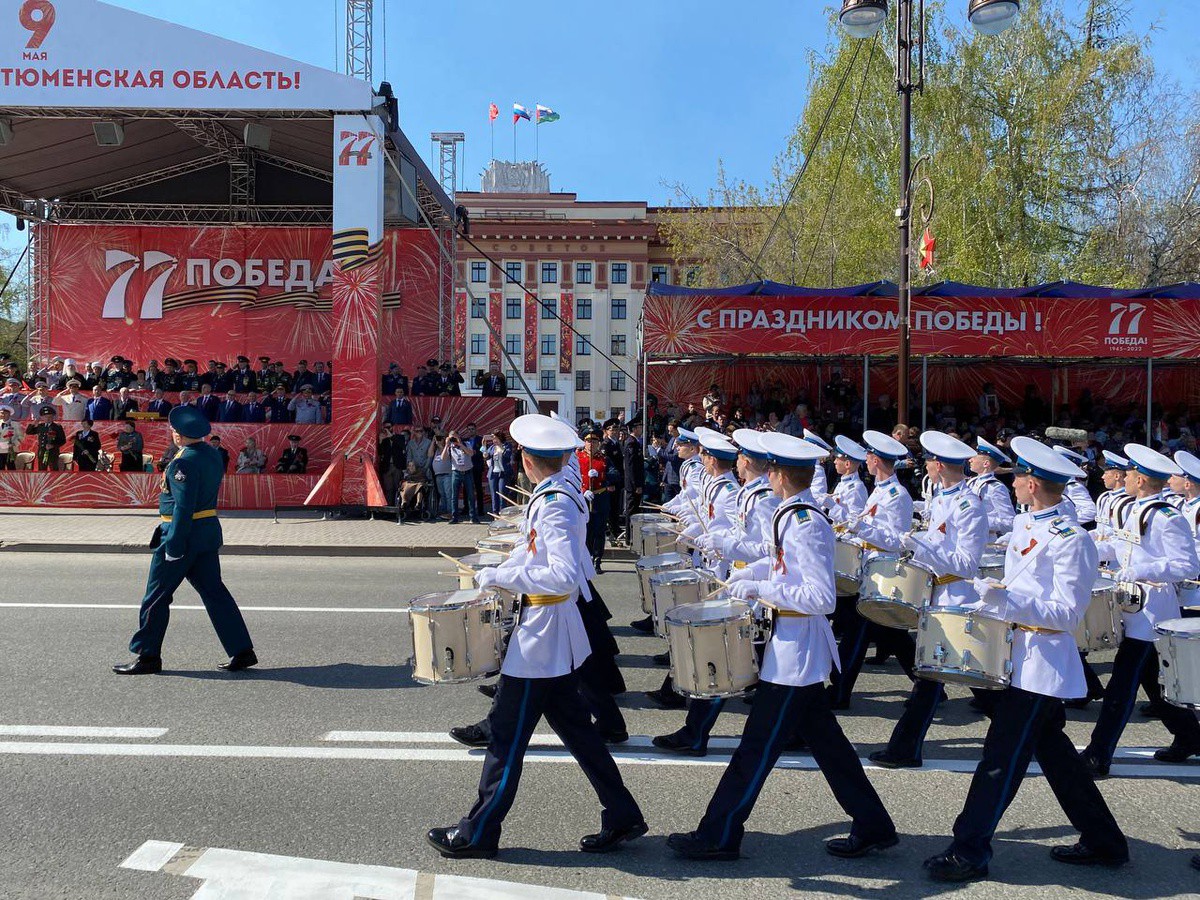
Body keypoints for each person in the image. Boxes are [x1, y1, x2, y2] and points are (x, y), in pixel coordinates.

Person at [668, 430, 897, 861]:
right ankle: (874, 824)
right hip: (791, 646)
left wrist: (762, 589)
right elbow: (779, 562)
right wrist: (749, 571)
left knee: (756, 746)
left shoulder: (805, 520)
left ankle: (718, 833)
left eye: (770, 467)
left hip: (798, 651)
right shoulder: (791, 514)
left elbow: (820, 596)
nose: (766, 473)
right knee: (830, 748)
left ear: (778, 475)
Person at [427, 414, 646, 859]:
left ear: (526, 459)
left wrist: (506, 577)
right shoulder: (554, 493)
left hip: (541, 639)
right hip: (550, 636)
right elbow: (542, 557)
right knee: (581, 736)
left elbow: (562, 574)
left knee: (505, 739)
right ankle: (622, 813)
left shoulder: (556, 502)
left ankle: (478, 831)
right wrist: (506, 569)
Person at [922, 437, 1129, 882]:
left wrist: (1006, 601)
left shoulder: (1071, 538)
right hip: (1020, 654)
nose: (1011, 483)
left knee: (1000, 759)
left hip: (1044, 663)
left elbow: (1068, 613)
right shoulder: (1027, 524)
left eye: (1016, 477)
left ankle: (969, 850)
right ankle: (1104, 840)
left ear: (1031, 484)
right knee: (1055, 756)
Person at [869, 431, 988, 768]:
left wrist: (923, 544)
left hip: (957, 593)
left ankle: (904, 749)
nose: (926, 467)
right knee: (937, 674)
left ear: (937, 465)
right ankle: (906, 749)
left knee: (945, 675)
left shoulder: (970, 505)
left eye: (929, 462)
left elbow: (967, 562)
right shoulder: (942, 497)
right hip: (938, 591)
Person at [660, 429, 782, 756]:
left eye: (740, 457)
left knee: (727, 658)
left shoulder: (764, 498)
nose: (737, 462)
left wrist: (725, 544)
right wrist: (718, 543)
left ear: (746, 461)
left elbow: (770, 550)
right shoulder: (748, 492)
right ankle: (788, 730)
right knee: (748, 666)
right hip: (737, 577)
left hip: (752, 588)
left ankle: (696, 733)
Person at [1082, 443, 1200, 774]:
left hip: (1153, 611)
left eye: (1131, 474)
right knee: (1152, 678)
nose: (1125, 478)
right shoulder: (1134, 509)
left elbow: (1187, 565)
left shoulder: (1166, 517)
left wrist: (1144, 571)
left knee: (1122, 684)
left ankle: (1099, 752)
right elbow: (1123, 548)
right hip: (1131, 604)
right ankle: (1190, 736)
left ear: (1142, 480)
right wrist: (1093, 547)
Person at [113, 406, 256, 676]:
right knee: (215, 594)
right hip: (206, 533)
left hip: (182, 536)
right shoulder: (212, 454)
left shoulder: (183, 462)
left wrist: (174, 546)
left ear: (179, 435)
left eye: (174, 431)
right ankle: (241, 650)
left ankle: (148, 655)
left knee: (156, 597)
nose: (172, 434)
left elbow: (183, 506)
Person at [828, 430, 915, 708]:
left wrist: (859, 526)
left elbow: (895, 540)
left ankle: (840, 693)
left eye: (868, 455)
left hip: (883, 572)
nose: (864, 459)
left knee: (858, 631)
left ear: (876, 460)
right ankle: (929, 686)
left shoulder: (897, 495)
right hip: (869, 567)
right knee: (892, 634)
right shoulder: (880, 490)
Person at [967, 437, 1016, 538]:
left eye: (974, 457)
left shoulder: (996, 488)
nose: (970, 460)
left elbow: (1009, 521)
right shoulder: (972, 482)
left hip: (986, 541)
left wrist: (980, 520)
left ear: (986, 464)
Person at [444, 429, 479, 524]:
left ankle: (473, 517)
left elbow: (471, 453)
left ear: (458, 436)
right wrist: (446, 444)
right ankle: (454, 517)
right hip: (456, 472)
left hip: (467, 472)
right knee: (454, 496)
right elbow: (443, 458)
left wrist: (460, 444)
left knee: (471, 495)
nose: (453, 439)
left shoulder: (466, 443)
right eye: (451, 437)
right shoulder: (450, 447)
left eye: (455, 437)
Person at [378, 424, 409, 506]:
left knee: (397, 488)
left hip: (397, 466)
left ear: (392, 427)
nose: (387, 429)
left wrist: (391, 436)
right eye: (385, 428)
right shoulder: (384, 440)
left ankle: (398, 506)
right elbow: (380, 453)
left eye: (389, 427)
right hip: (387, 466)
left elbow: (402, 446)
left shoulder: (399, 437)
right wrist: (380, 441)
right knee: (388, 489)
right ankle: (389, 508)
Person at [484, 431, 513, 515]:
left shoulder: (507, 445)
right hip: (493, 473)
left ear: (499, 437)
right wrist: (484, 447)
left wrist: (499, 446)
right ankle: (495, 514)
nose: (493, 440)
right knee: (494, 494)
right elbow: (486, 456)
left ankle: (502, 514)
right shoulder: (492, 447)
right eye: (492, 438)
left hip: (503, 473)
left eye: (495, 438)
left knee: (502, 493)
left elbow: (507, 455)